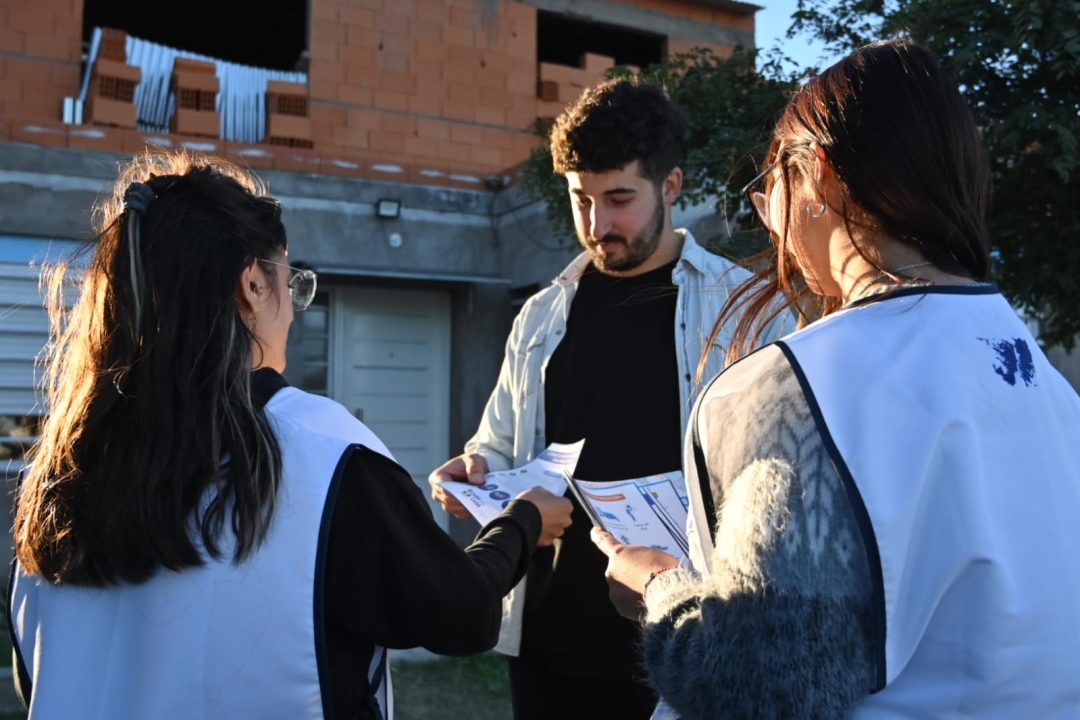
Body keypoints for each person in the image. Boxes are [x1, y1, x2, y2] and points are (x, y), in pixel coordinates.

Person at [591, 38, 1080, 718]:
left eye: (768, 192)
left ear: (815, 172)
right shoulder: (1041, 377)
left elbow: (756, 689)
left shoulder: (796, 386)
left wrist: (659, 587)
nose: (772, 222)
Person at [6, 151, 573, 720]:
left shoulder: (58, 471)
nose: (294, 312)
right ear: (251, 282)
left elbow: (41, 671)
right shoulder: (322, 453)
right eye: (292, 283)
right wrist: (522, 522)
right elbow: (461, 614)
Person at [428, 79, 757, 719]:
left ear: (671, 186)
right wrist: (473, 472)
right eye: (581, 199)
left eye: (619, 199)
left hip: (687, 640)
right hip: (549, 641)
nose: (597, 225)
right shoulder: (541, 314)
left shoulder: (740, 308)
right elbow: (495, 443)